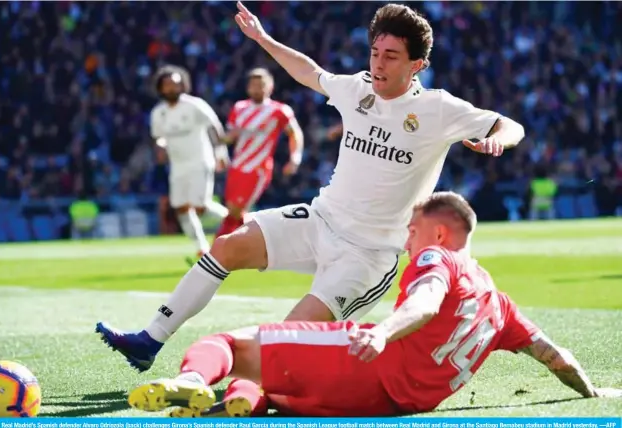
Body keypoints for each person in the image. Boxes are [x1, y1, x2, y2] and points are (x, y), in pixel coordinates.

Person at [95, 2, 525, 377]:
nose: (378, 64)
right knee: (226, 245)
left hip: (368, 255)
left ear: (417, 65)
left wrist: (496, 140)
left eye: (391, 57)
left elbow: (511, 126)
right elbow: (310, 72)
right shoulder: (357, 88)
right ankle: (149, 341)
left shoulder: (438, 109)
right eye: (375, 53)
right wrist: (263, 38)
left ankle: (237, 392)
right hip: (320, 221)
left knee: (282, 340)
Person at [125, 192, 622, 417]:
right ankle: (240, 403)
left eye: (413, 228)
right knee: (281, 392)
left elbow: (425, 305)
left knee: (227, 343)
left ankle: (191, 380)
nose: (407, 238)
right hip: (391, 405)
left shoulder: (437, 259)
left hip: (371, 365)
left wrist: (383, 331)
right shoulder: (502, 306)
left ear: (441, 232)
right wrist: (590, 391)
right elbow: (553, 355)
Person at [149, 65, 231, 261]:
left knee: (200, 206)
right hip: (178, 165)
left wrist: (221, 153)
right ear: (160, 88)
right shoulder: (158, 113)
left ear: (183, 85)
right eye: (167, 85)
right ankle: (201, 249)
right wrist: (160, 147)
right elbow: (158, 137)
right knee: (181, 207)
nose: (171, 88)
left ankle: (241, 221)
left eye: (175, 84)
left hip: (200, 160)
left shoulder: (195, 105)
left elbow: (214, 127)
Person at [215, 67, 305, 239]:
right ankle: (264, 242)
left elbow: (295, 133)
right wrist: (220, 145)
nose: (258, 88)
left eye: (262, 84)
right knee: (233, 210)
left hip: (258, 168)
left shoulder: (279, 110)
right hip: (237, 167)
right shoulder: (239, 107)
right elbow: (230, 137)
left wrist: (295, 158)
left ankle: (215, 251)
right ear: (248, 87)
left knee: (235, 210)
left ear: (270, 87)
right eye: (254, 85)